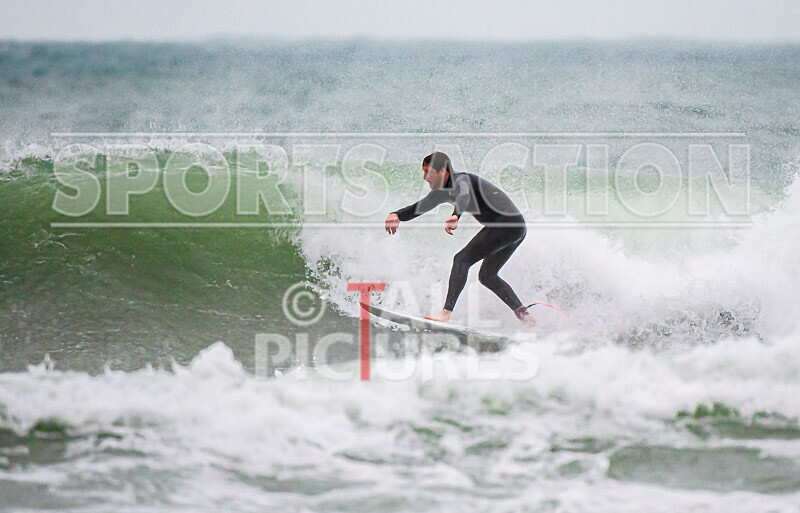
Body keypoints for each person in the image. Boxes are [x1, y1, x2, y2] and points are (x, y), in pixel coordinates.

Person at [385, 152, 535, 325]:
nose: (425, 178)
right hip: (516, 228)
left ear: (442, 171)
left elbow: (464, 196)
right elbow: (417, 208)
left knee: (461, 259)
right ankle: (524, 315)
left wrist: (456, 215)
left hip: (507, 225)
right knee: (487, 275)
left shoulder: (461, 180)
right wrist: (395, 214)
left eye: (428, 172)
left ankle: (446, 312)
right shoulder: (441, 193)